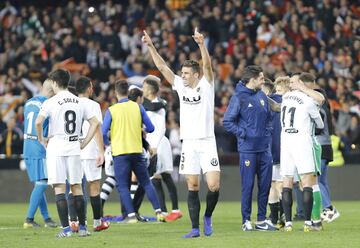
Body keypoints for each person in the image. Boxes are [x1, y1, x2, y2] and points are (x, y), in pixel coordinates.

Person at [142, 28, 221, 238]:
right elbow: (161, 66)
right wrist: (151, 46)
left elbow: (208, 66)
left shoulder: (206, 85)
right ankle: (195, 228)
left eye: (186, 73)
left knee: (213, 186)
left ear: (196, 75)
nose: (182, 76)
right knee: (192, 185)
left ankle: (208, 216)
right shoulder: (180, 85)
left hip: (207, 141)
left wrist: (202, 45)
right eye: (182, 73)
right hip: (189, 143)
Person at [35, 69, 99, 238]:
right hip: (74, 147)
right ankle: (83, 228)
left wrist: (42, 139)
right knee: (77, 187)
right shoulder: (78, 101)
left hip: (56, 147)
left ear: (55, 83)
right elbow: (95, 122)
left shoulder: (50, 102)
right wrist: (84, 142)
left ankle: (66, 230)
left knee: (59, 189)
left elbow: (38, 122)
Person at [102, 80, 165, 224]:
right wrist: (141, 130)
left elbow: (103, 132)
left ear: (116, 93)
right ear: (128, 92)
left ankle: (131, 216)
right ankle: (159, 212)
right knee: (146, 182)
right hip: (137, 151)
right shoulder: (138, 107)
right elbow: (151, 128)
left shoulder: (111, 110)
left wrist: (108, 143)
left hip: (120, 153)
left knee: (123, 186)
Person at [223, 65, 277, 231]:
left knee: (265, 185)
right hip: (248, 149)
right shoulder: (239, 97)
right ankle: (246, 220)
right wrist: (244, 133)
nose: (263, 80)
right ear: (252, 80)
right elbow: (227, 122)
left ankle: (261, 220)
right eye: (261, 78)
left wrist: (266, 133)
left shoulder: (261, 95)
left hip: (264, 149)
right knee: (248, 186)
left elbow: (269, 116)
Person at [279, 74, 324, 232]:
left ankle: (289, 223)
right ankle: (309, 222)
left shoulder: (285, 97)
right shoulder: (308, 100)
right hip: (303, 142)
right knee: (308, 182)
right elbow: (320, 123)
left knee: (286, 182)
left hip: (285, 142)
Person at [300, 73, 340, 223]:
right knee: (322, 181)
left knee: (316, 181)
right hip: (326, 145)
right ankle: (327, 208)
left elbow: (318, 128)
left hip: (320, 145)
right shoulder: (324, 104)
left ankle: (329, 209)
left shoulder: (318, 106)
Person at [142, 75, 182, 222]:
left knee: (164, 175)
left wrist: (156, 146)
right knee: (155, 177)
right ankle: (164, 211)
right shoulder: (154, 103)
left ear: (150, 89)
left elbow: (159, 125)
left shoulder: (157, 104)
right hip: (150, 143)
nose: (142, 89)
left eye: (144, 86)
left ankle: (175, 209)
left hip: (159, 143)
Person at [75, 76, 109, 231]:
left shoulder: (71, 103)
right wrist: (101, 151)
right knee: (94, 187)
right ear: (88, 88)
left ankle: (73, 222)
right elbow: (96, 130)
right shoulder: (93, 105)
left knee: (74, 187)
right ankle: (97, 222)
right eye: (91, 86)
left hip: (74, 151)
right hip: (89, 150)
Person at [22, 79, 57, 229]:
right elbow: (45, 129)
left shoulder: (29, 102)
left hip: (27, 146)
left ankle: (47, 218)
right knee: (43, 182)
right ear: (51, 91)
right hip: (38, 147)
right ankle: (29, 219)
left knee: (39, 183)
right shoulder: (48, 105)